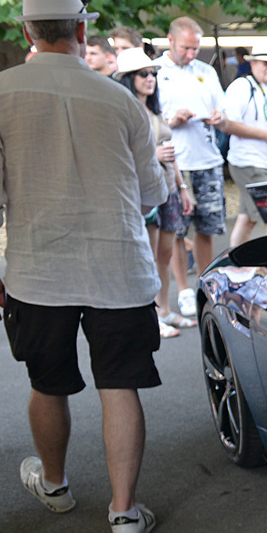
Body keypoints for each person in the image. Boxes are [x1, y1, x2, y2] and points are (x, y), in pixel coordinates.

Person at [0, 0, 167, 533]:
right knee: (119, 385)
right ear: (82, 30)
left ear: (27, 31)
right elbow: (152, 192)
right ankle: (124, 515)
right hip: (118, 267)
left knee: (47, 383)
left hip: (38, 268)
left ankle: (54, 485)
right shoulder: (120, 99)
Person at [114, 46, 194, 339]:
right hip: (143, 191)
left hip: (168, 189)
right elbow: (122, 156)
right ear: (128, 78)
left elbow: (170, 154)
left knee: (164, 253)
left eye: (153, 73)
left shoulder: (153, 109)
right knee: (147, 256)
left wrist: (183, 188)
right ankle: (150, 316)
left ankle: (163, 309)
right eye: (143, 74)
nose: (151, 78)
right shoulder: (125, 111)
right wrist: (154, 155)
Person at [154, 16, 225, 305]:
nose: (191, 54)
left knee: (207, 228)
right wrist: (173, 120)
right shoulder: (156, 72)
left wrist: (221, 117)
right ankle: (183, 289)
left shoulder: (206, 71)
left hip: (207, 158)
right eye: (186, 48)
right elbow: (151, 119)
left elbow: (221, 107)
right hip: (176, 162)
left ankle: (203, 284)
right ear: (170, 41)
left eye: (196, 48)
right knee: (176, 231)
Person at [219, 46, 267, 246]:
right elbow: (227, 124)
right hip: (249, 162)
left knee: (247, 219)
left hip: (262, 162)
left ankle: (235, 263)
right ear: (253, 64)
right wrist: (266, 136)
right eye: (266, 63)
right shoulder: (242, 86)